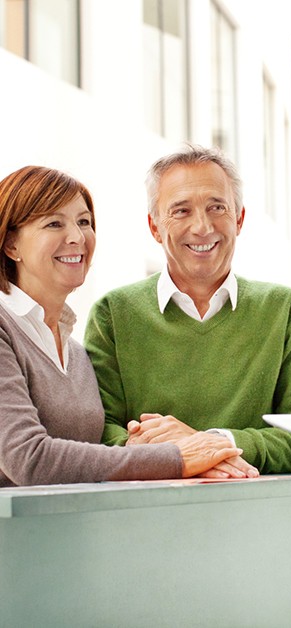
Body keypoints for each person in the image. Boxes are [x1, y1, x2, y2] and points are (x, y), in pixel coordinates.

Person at [84, 144, 291, 476]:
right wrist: (184, 456)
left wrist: (210, 442)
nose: (202, 226)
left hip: (262, 519)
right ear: (155, 227)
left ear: (239, 218)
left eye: (217, 207)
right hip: (147, 519)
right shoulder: (113, 314)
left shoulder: (288, 311)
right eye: (181, 211)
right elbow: (101, 435)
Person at [0, 165, 247, 487]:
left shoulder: (74, 352)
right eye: (54, 223)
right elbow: (28, 459)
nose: (77, 237)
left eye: (84, 222)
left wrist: (190, 448)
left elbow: (95, 453)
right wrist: (179, 457)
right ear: (11, 245)